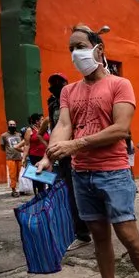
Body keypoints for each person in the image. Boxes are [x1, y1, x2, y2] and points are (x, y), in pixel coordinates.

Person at [35, 24, 139, 278]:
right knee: (99, 237)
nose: (75, 53)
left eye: (80, 45)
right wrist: (49, 154)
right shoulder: (69, 91)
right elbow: (63, 125)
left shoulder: (120, 84)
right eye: (71, 49)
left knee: (128, 235)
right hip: (82, 174)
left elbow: (120, 129)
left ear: (98, 49)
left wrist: (75, 144)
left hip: (114, 173)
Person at [47, 72, 92, 251]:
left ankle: (96, 226)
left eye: (59, 82)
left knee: (88, 191)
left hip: (78, 150)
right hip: (63, 155)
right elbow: (54, 126)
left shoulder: (77, 96)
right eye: (52, 83)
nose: (56, 86)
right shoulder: (52, 103)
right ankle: (81, 233)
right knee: (71, 194)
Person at [22, 113, 50, 195]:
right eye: (41, 119)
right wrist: (24, 158)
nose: (43, 121)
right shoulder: (29, 130)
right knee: (38, 178)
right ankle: (40, 195)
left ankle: (48, 194)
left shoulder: (46, 129)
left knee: (48, 177)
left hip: (46, 155)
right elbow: (27, 145)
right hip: (35, 156)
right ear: (36, 121)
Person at [0, 120, 23, 197]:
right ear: (8, 125)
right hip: (10, 158)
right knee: (12, 175)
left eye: (13, 124)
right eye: (10, 124)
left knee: (21, 174)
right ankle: (14, 190)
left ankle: (22, 189)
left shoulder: (19, 135)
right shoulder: (4, 135)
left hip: (20, 157)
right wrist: (9, 151)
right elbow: (2, 147)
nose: (12, 126)